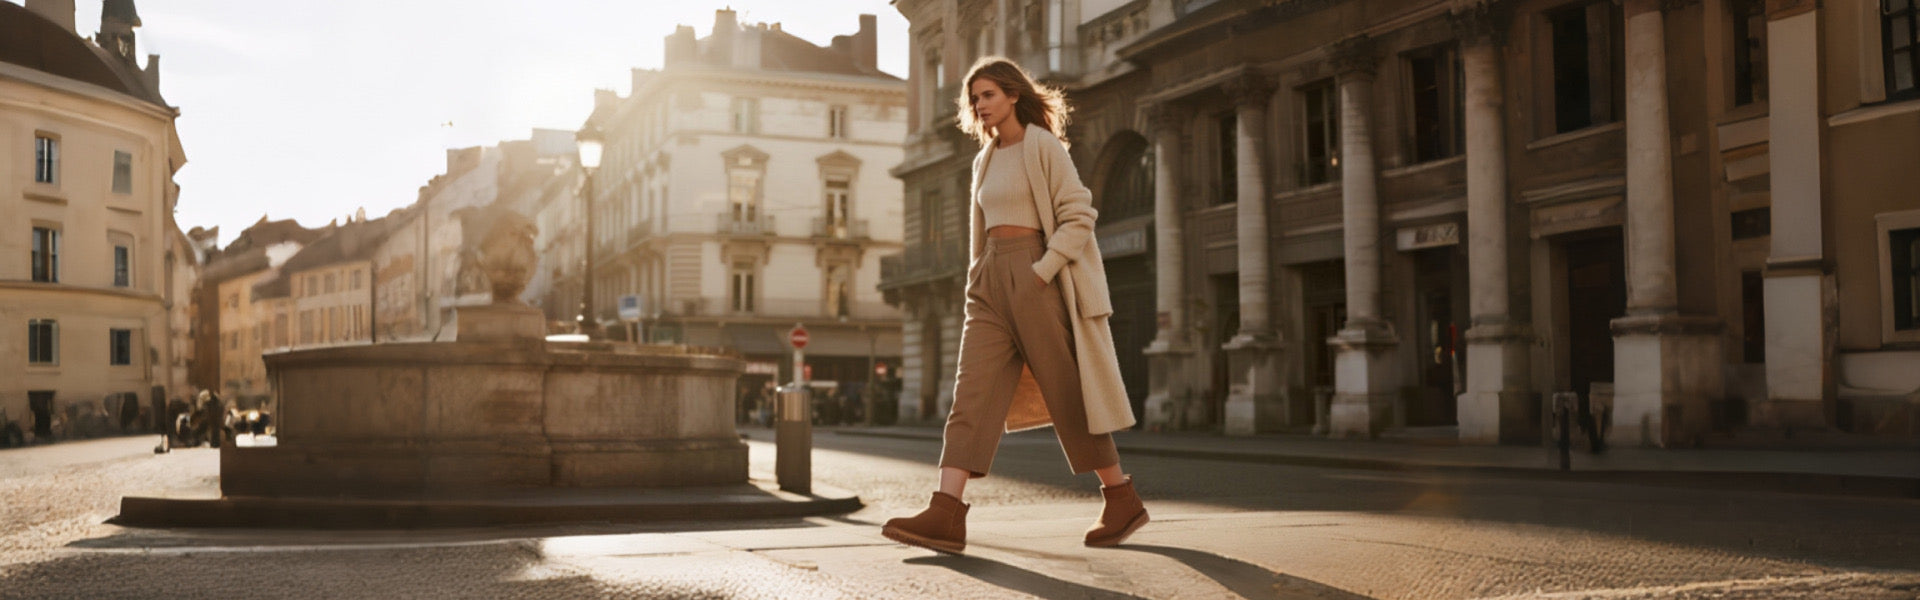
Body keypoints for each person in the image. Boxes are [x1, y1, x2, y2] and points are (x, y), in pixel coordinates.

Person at [881, 57, 1147, 555]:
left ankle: (1120, 497)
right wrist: (977, 276)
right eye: (974, 98)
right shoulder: (983, 159)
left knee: (1068, 392)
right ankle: (946, 510)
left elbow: (1079, 214)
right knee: (970, 394)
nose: (979, 106)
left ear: (1013, 95)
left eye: (987, 95)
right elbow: (981, 228)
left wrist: (1041, 271)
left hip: (1034, 274)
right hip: (988, 282)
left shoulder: (1042, 146)